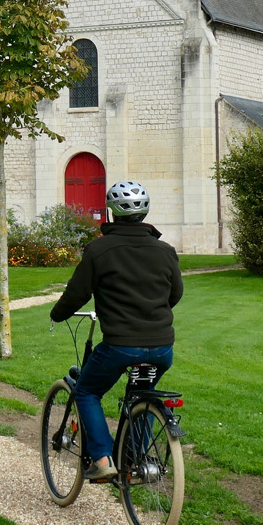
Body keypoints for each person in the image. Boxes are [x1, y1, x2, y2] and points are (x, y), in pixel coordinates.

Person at [50, 180, 185, 481]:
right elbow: (174, 294)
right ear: (145, 212)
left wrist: (58, 315)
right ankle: (134, 460)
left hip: (120, 346)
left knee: (86, 390)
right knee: (142, 394)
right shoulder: (165, 250)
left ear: (110, 213)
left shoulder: (99, 249)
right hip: (162, 347)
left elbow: (76, 294)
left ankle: (101, 459)